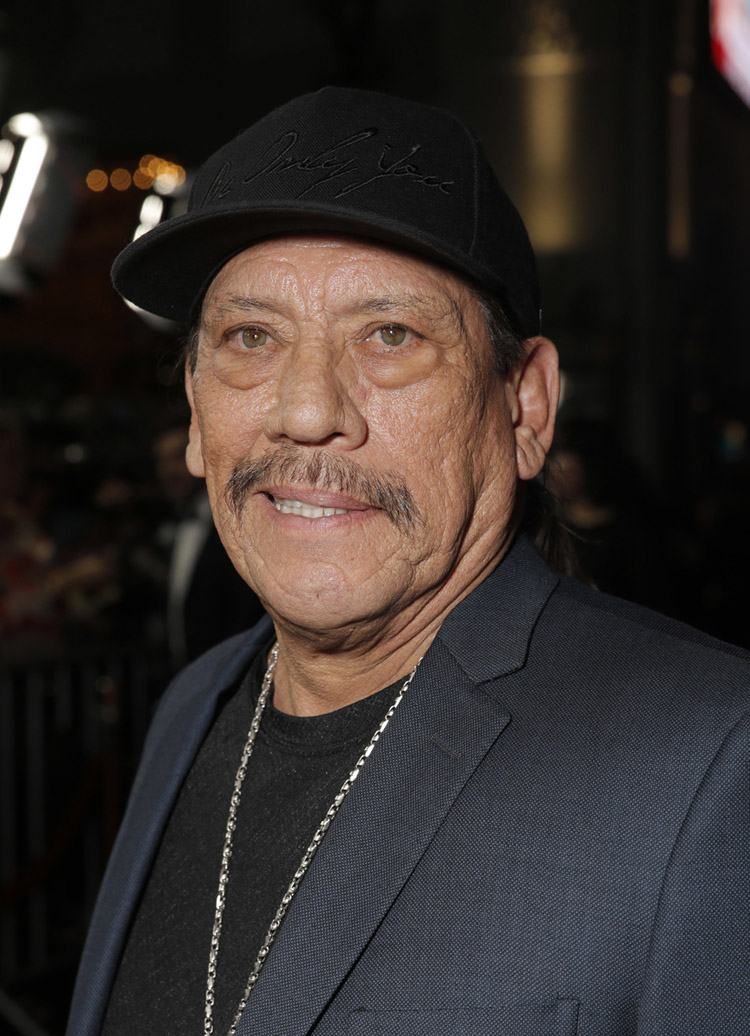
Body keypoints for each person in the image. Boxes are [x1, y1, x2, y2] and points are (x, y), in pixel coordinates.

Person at [67, 87, 749, 1036]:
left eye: (391, 336)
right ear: (193, 408)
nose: (308, 410)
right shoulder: (192, 709)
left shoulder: (713, 765)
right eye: (251, 338)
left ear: (524, 408)